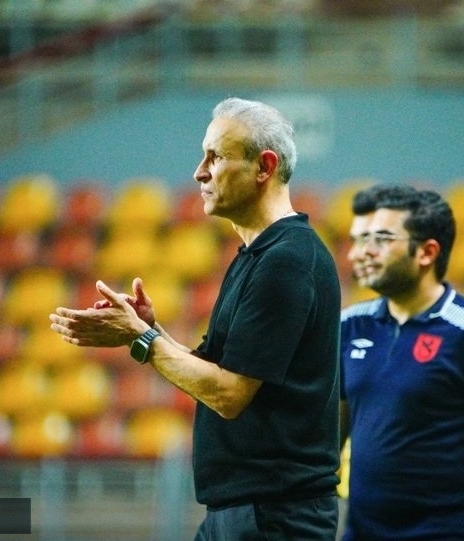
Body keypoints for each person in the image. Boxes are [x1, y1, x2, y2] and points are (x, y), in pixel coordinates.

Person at [49, 97, 342, 540]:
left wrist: (143, 339)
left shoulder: (287, 260)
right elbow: (218, 371)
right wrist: (148, 330)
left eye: (215, 157)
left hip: (274, 516)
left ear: (264, 166)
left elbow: (229, 393)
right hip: (249, 511)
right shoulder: (260, 255)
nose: (199, 172)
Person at [339, 184, 464, 541]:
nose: (365, 251)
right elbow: (331, 437)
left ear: (427, 252)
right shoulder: (349, 326)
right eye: (364, 238)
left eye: (383, 239)